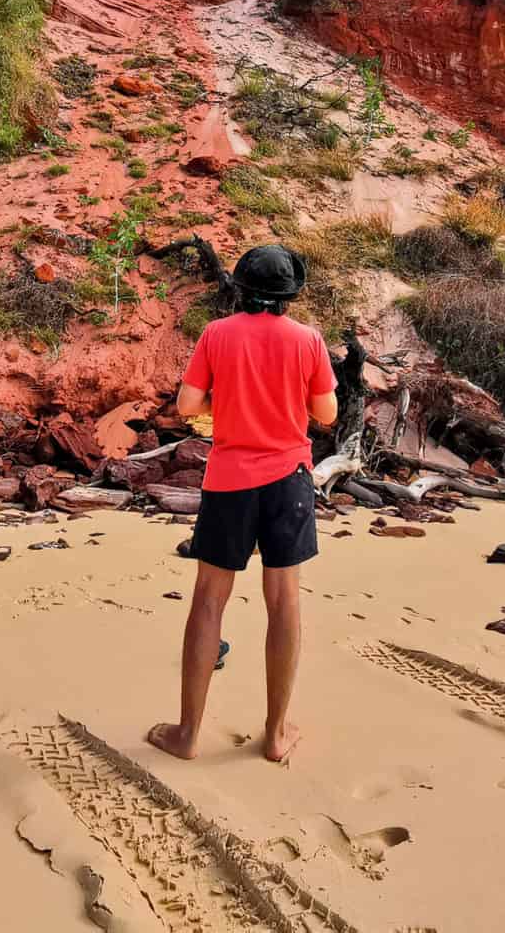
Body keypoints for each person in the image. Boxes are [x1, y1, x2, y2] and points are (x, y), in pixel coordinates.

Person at [146, 244, 338, 764]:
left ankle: (187, 733)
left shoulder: (216, 334)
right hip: (289, 481)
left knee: (209, 599)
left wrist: (226, 399)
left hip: (230, 478)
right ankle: (275, 735)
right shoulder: (308, 340)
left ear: (240, 288)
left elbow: (187, 405)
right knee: (285, 601)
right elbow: (326, 412)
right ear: (289, 295)